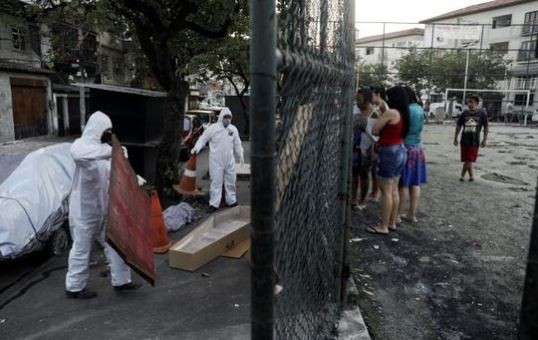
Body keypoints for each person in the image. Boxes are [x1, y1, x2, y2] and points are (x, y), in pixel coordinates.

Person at [66, 111, 141, 299]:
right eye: (105, 130)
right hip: (84, 211)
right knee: (82, 248)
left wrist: (137, 180)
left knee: (115, 246)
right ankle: (74, 287)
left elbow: (116, 175)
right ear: (97, 129)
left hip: (103, 209)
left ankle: (122, 281)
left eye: (110, 131)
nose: (108, 134)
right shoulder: (82, 146)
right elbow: (80, 154)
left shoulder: (103, 153)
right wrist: (112, 152)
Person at [367, 86, 409, 235]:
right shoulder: (405, 113)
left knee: (386, 191)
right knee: (394, 190)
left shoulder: (391, 112)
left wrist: (380, 116)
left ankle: (383, 226)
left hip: (389, 151)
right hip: (401, 149)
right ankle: (392, 221)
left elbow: (375, 130)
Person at [191, 107, 244, 212]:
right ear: (221, 117)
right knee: (216, 182)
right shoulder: (213, 128)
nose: (227, 120)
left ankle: (231, 200)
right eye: (226, 117)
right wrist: (196, 148)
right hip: (216, 161)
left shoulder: (232, 129)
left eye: (229, 117)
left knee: (231, 181)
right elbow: (203, 138)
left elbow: (237, 143)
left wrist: (240, 154)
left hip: (229, 160)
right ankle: (214, 204)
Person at [398, 87, 427, 223]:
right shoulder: (420, 108)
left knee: (403, 183)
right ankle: (412, 214)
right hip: (417, 147)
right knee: (415, 183)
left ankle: (397, 214)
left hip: (406, 147)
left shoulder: (407, 110)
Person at [453, 95, 488, 182]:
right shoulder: (464, 114)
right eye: (468, 102)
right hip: (464, 140)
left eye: (471, 102)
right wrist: (455, 138)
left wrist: (484, 139)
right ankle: (471, 176)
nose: (469, 104)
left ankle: (462, 176)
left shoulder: (482, 114)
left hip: (474, 141)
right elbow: (458, 126)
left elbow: (486, 127)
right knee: (467, 159)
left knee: (469, 159)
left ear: (476, 103)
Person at [355, 87, 379, 210]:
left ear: (368, 100)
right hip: (355, 147)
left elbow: (377, 135)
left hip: (367, 149)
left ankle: (362, 200)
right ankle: (353, 198)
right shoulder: (355, 110)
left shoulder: (375, 114)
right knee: (353, 174)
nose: (357, 102)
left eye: (360, 100)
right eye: (356, 99)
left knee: (364, 175)